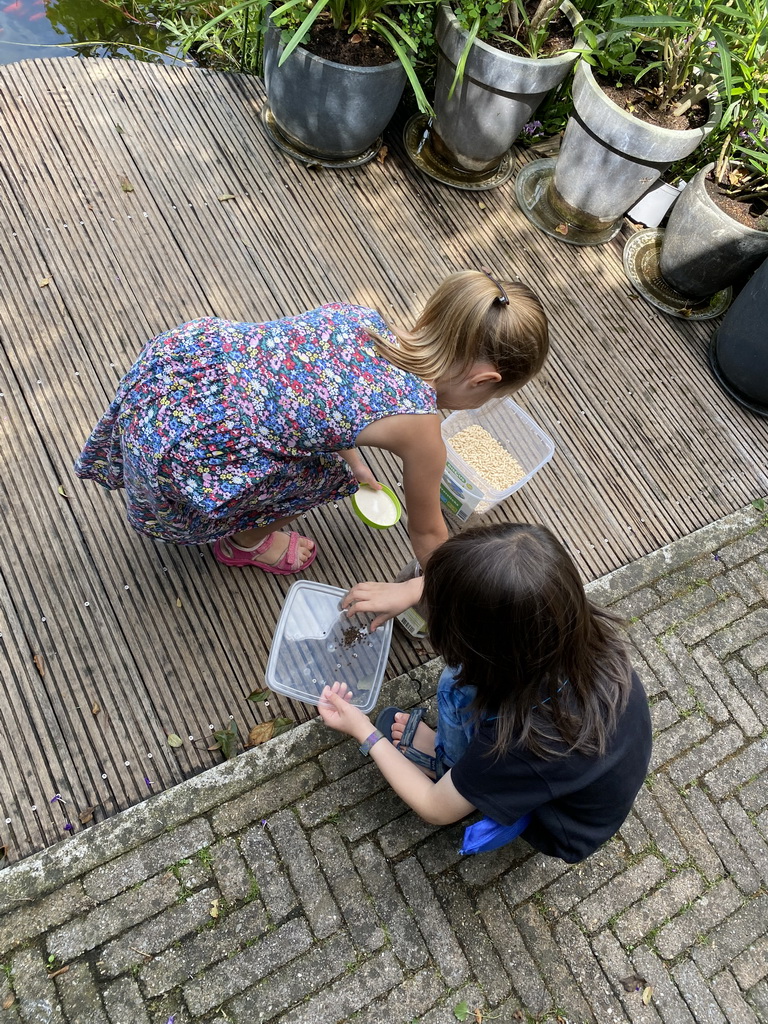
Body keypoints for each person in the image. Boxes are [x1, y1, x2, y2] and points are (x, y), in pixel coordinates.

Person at [74, 271, 548, 574]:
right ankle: (245, 543)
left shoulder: (359, 318)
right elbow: (427, 533)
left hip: (182, 375)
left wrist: (358, 464)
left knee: (335, 463)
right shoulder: (423, 431)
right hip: (205, 448)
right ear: (485, 380)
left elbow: (311, 397)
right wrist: (442, 588)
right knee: (321, 480)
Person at [318, 522, 652, 862]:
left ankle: (446, 766)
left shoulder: (523, 744)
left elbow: (434, 809)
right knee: (461, 683)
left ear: (487, 648)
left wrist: (364, 731)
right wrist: (413, 589)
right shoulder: (571, 630)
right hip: (583, 775)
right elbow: (506, 600)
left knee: (455, 684)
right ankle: (464, 771)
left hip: (560, 825)